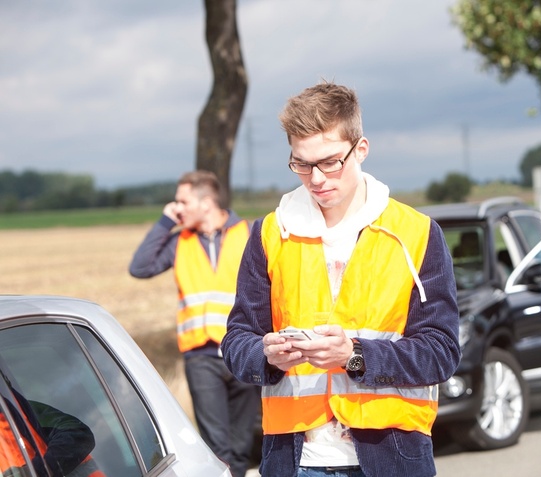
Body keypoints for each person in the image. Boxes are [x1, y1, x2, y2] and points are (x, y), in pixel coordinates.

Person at [220, 81, 461, 477]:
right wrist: (265, 355)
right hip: (294, 461)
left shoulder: (417, 233)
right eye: (302, 164)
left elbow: (442, 351)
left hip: (392, 458)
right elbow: (237, 341)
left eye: (330, 162)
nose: (316, 179)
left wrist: (354, 355)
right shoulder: (269, 234)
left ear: (360, 149)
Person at [129, 170, 259, 477]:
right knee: (218, 448)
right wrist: (165, 223)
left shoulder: (249, 233)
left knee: (243, 445)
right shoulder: (180, 243)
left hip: (242, 350)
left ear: (206, 202)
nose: (177, 208)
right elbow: (140, 267)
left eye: (182, 201)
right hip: (201, 357)